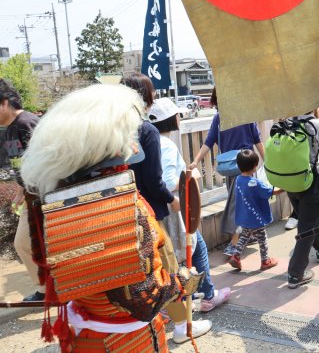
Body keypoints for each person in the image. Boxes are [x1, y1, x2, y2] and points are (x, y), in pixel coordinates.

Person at [20, 84, 203, 352]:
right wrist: (182, 282)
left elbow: (39, 263)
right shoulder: (120, 204)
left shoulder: (50, 200)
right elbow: (143, 301)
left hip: (84, 332)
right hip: (128, 340)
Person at [122, 74, 212, 343]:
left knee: (138, 273)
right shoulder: (145, 130)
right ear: (147, 98)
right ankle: (183, 328)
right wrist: (171, 200)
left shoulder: (115, 128)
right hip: (149, 214)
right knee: (167, 268)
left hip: (120, 211)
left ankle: (148, 321)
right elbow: (153, 180)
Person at [149, 98, 231, 312]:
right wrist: (191, 176)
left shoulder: (150, 141)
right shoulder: (165, 144)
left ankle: (190, 298)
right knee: (195, 249)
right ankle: (206, 297)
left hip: (157, 210)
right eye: (177, 114)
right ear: (170, 120)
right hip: (173, 208)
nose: (179, 117)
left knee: (184, 253)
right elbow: (167, 182)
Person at [188, 87, 265, 256]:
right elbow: (258, 141)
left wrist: (196, 161)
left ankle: (237, 240)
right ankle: (236, 242)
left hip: (231, 169)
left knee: (237, 205)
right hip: (247, 168)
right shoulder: (246, 117)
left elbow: (208, 142)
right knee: (242, 205)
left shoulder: (219, 118)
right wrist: (267, 161)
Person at [0, 79, 43, 302]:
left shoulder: (27, 123)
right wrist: (19, 193)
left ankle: (49, 290)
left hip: (44, 196)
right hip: (31, 196)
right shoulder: (9, 130)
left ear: (4, 103)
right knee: (27, 243)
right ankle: (48, 289)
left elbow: (44, 162)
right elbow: (20, 166)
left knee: (27, 243)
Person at [286, 114, 319, 289]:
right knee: (307, 226)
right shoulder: (317, 125)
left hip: (289, 180)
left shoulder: (287, 124)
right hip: (309, 180)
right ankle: (295, 274)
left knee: (308, 220)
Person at [227, 149, 279, 271]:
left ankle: (236, 256)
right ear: (255, 166)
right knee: (262, 239)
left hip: (245, 217)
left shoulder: (238, 180)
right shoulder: (254, 183)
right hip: (256, 217)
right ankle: (265, 261)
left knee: (244, 236)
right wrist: (285, 188)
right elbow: (269, 192)